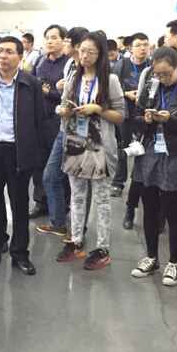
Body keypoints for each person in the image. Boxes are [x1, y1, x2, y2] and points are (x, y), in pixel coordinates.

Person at [129, 47, 177, 285]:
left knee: (172, 210)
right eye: (157, 74)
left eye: (166, 74)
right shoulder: (150, 88)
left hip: (175, 155)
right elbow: (135, 118)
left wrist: (171, 120)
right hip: (150, 152)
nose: (161, 78)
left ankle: (174, 262)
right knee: (149, 207)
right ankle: (151, 257)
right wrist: (146, 120)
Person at [0, 36, 45, 276]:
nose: (3, 56)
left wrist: (34, 154)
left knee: (19, 204)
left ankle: (20, 253)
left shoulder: (30, 83)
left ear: (20, 57)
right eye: (1, 51)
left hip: (19, 151)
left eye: (9, 52)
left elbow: (39, 120)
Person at [56, 32, 124, 269]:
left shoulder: (110, 80)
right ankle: (76, 240)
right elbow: (62, 105)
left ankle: (103, 247)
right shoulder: (73, 77)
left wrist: (98, 109)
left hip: (100, 147)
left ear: (100, 54)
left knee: (102, 199)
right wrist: (64, 111)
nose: (84, 56)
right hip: (75, 143)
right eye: (82, 50)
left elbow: (120, 115)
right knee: (77, 196)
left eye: (90, 52)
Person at [36, 26, 88, 236]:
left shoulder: (91, 70)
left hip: (81, 131)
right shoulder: (69, 66)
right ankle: (59, 222)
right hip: (63, 126)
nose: (61, 43)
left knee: (78, 182)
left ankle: (78, 228)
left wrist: (55, 93)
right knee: (50, 176)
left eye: (65, 40)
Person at [30, 25, 69, 218]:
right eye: (47, 38)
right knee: (38, 163)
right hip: (39, 120)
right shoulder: (40, 61)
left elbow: (70, 95)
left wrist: (50, 92)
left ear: (63, 40)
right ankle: (41, 202)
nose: (50, 41)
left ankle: (62, 206)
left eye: (54, 37)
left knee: (59, 166)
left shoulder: (69, 64)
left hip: (58, 122)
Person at [111, 32, 150, 211]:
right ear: (130, 48)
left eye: (145, 45)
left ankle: (141, 182)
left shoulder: (151, 66)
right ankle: (118, 182)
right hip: (125, 112)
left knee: (143, 148)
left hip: (144, 114)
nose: (143, 48)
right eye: (139, 45)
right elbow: (112, 88)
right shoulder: (121, 65)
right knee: (123, 146)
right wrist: (126, 94)